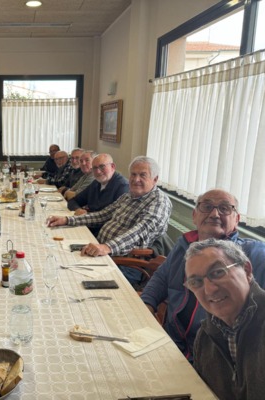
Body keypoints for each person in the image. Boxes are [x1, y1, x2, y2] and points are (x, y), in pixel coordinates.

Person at [141, 189, 265, 361]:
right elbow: (161, 279)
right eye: (207, 206)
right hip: (172, 346)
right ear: (195, 215)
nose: (214, 214)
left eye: (224, 208)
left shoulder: (253, 254)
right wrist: (146, 305)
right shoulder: (183, 246)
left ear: (236, 219)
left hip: (216, 361)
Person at [185, 239, 265, 400]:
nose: (209, 290)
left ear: (247, 270)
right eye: (196, 282)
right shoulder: (205, 336)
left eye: (217, 272)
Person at [48, 156, 172, 258]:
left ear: (155, 179)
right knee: (56, 252)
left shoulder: (159, 201)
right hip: (101, 249)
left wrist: (107, 247)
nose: (136, 179)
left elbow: (139, 232)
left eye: (142, 175)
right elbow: (103, 215)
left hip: (124, 259)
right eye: (133, 174)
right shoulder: (129, 195)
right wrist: (67, 220)